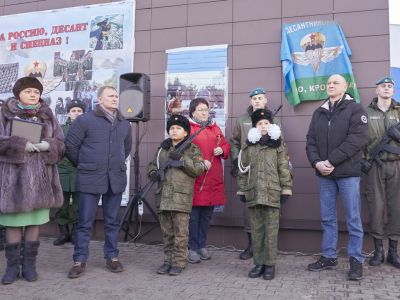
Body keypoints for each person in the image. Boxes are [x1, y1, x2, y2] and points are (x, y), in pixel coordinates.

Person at [0, 76, 64, 284]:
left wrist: (49, 145)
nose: (33, 95)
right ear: (18, 94)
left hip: (41, 183)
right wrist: (19, 145)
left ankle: (29, 267)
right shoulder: (4, 113)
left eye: (36, 92)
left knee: (35, 224)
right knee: (13, 224)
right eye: (29, 91)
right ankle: (11, 268)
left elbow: (62, 144)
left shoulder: (47, 115)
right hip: (14, 184)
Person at [306, 74, 368, 281]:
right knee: (328, 218)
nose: (331, 85)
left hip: (348, 173)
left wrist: (331, 161)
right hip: (324, 175)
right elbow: (310, 141)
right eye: (329, 83)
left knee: (353, 218)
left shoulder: (355, 109)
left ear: (346, 86)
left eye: (336, 83)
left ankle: (356, 260)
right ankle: (329, 256)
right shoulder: (319, 112)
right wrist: (317, 163)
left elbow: (356, 140)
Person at [65, 86, 132, 279]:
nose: (115, 98)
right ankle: (79, 260)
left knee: (112, 221)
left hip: (115, 179)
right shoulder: (85, 120)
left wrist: (113, 164)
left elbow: (125, 149)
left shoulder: (124, 123)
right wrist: (86, 164)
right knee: (84, 222)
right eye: (110, 96)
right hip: (89, 178)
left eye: (116, 95)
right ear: (100, 99)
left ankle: (112, 257)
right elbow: (70, 147)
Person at [148, 114, 207, 276]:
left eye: (178, 128)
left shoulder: (192, 149)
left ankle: (179, 261)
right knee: (167, 233)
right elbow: (153, 165)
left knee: (181, 233)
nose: (174, 131)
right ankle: (167, 260)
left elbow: (198, 168)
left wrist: (182, 161)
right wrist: (153, 173)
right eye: (172, 128)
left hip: (181, 197)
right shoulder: (162, 149)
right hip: (163, 196)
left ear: (186, 132)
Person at [237, 109, 292, 280]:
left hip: (272, 192)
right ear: (255, 126)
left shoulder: (278, 145)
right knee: (257, 230)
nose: (263, 126)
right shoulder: (248, 146)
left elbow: (284, 168)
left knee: (271, 231)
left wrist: (286, 188)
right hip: (254, 192)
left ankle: (270, 265)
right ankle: (258, 263)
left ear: (271, 125)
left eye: (266, 123)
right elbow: (243, 170)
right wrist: (241, 189)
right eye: (260, 124)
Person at [230, 87, 280, 260]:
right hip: (248, 170)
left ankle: (268, 249)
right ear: (251, 101)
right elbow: (234, 142)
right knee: (249, 209)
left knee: (269, 210)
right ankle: (252, 246)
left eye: (260, 98)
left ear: (265, 100)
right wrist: (236, 161)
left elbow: (281, 144)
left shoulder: (274, 119)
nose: (257, 101)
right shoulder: (242, 120)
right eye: (254, 98)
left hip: (268, 171)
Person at [187, 98, 230, 263]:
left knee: (206, 217)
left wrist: (222, 149)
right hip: (197, 178)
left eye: (206, 109)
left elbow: (226, 145)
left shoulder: (215, 127)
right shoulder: (189, 128)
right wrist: (198, 162)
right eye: (200, 109)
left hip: (213, 179)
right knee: (193, 217)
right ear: (193, 112)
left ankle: (201, 245)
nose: (204, 112)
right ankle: (192, 247)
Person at [363, 76, 400, 268]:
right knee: (376, 207)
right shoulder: (366, 112)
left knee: (396, 207)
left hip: (397, 164)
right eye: (382, 86)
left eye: (389, 86)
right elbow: (359, 138)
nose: (386, 88)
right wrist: (363, 159)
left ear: (393, 90)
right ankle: (378, 251)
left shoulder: (399, 111)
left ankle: (393, 252)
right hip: (374, 165)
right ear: (376, 90)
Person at [53, 100, 86, 246]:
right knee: (62, 204)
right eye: (73, 111)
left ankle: (75, 233)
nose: (76, 113)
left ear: (83, 113)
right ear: (68, 113)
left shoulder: (88, 129)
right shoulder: (60, 130)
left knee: (78, 205)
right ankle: (63, 233)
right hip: (63, 171)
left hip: (81, 171)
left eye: (79, 111)